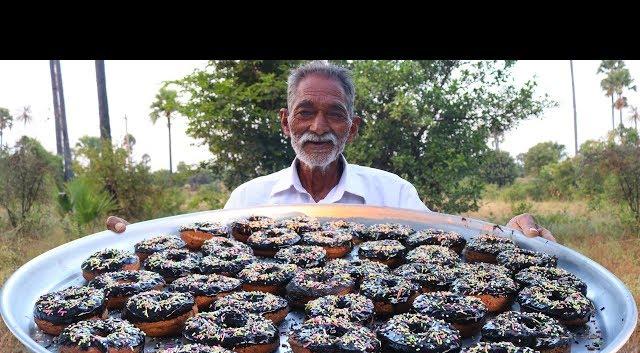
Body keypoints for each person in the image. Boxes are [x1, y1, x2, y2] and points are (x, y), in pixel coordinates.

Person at [106, 60, 556, 242]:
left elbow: (446, 242)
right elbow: (198, 263)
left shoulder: (393, 195)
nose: (318, 128)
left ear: (353, 129)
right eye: (305, 112)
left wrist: (510, 234)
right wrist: (134, 241)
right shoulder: (246, 201)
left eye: (334, 115)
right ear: (286, 123)